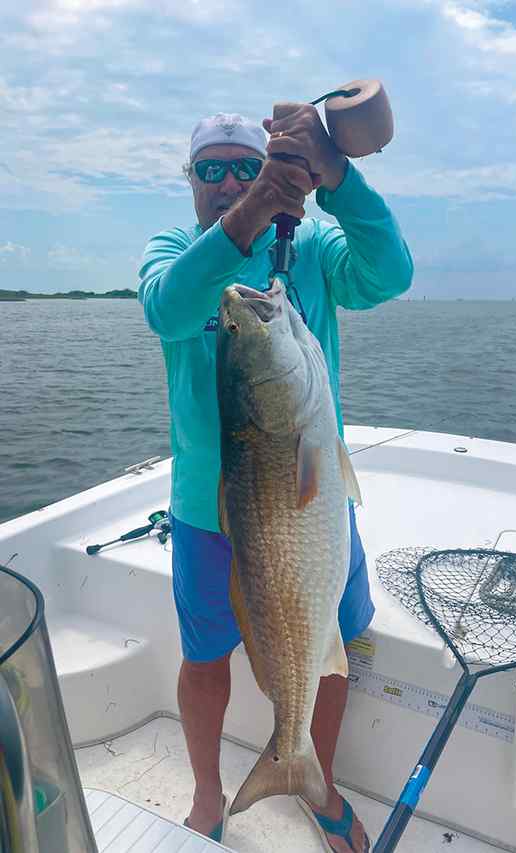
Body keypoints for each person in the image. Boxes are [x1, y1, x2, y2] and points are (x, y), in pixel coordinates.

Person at [138, 105, 413, 853]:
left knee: (331, 648)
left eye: (245, 166)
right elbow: (169, 309)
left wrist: (338, 176)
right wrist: (256, 206)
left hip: (313, 502)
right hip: (206, 515)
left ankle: (314, 778)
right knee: (204, 658)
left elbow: (390, 273)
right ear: (192, 180)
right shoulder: (175, 250)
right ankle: (207, 796)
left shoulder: (312, 245)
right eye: (212, 169)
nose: (229, 182)